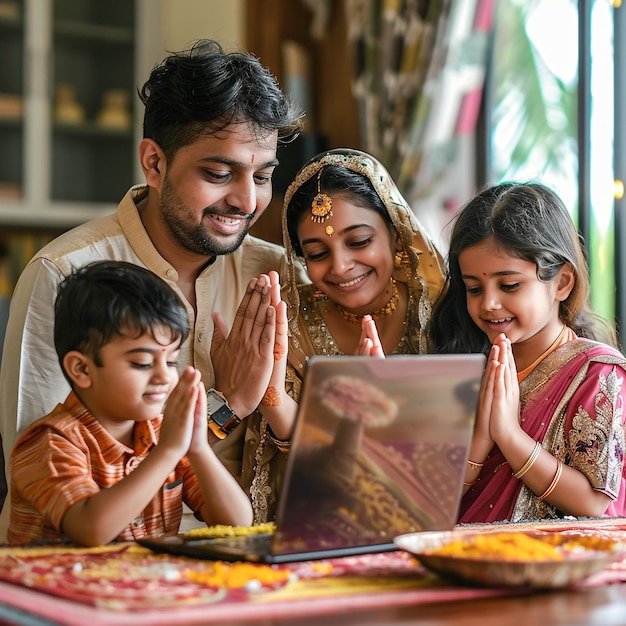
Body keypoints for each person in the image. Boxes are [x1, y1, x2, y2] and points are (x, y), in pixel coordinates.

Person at [0, 39, 304, 540]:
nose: (247, 201)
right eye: (219, 173)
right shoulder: (65, 273)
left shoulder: (276, 276)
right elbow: (43, 464)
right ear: (155, 163)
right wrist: (225, 405)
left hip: (227, 559)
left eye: (263, 176)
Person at [242, 148, 446, 522]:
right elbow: (288, 465)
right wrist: (270, 399)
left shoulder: (439, 311)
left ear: (398, 236)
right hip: (322, 515)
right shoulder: (289, 319)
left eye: (358, 242)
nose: (340, 266)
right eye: (318, 253)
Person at [8, 261, 253, 546]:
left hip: (145, 585)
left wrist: (197, 448)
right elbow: (92, 531)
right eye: (142, 363)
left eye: (171, 361)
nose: (164, 375)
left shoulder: (161, 434)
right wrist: (168, 452)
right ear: (82, 370)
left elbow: (237, 523)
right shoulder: (51, 443)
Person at [429, 181, 626, 523]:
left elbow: (594, 503)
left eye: (509, 286)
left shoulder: (597, 373)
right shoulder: (465, 365)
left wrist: (509, 436)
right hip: (461, 555)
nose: (489, 303)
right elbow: (429, 499)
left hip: (554, 565)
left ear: (562, 283)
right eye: (474, 288)